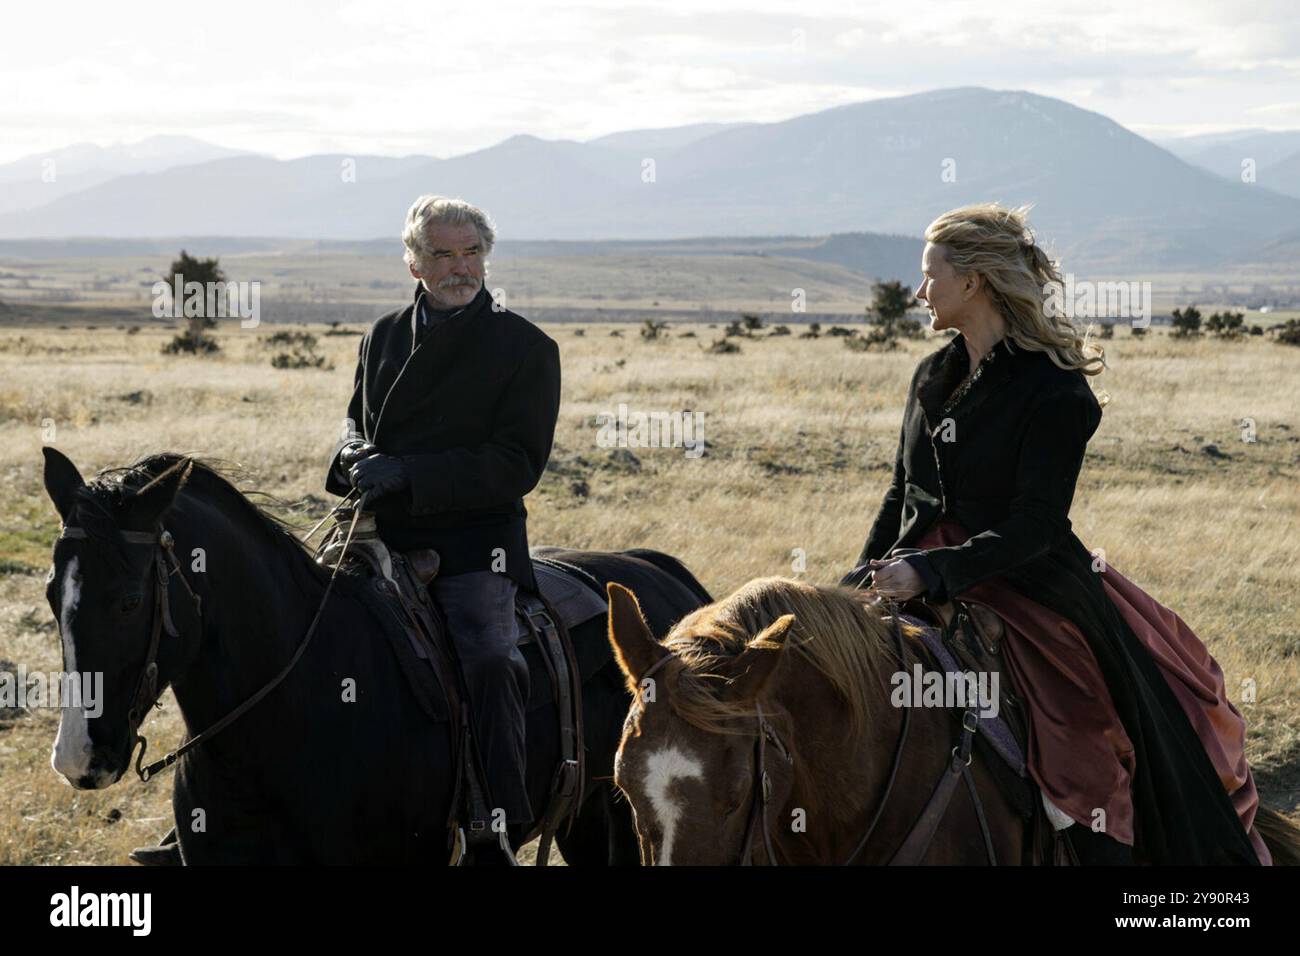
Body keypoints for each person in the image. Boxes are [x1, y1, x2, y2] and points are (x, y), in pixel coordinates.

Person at [842, 203, 1269, 865]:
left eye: (931, 276)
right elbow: (905, 495)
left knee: (1081, 729)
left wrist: (935, 573)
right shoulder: (931, 376)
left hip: (1025, 579)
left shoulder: (1054, 391)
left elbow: (1036, 526)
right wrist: (859, 576)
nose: (919, 292)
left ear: (975, 282)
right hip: (912, 568)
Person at [326, 195, 561, 859]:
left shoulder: (525, 348)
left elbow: (516, 464)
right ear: (413, 264)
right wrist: (353, 454)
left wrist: (409, 473)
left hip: (472, 548)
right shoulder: (382, 335)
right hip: (375, 535)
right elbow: (355, 417)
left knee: (489, 659)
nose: (460, 267)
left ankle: (496, 825)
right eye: (442, 254)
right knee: (279, 622)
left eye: (470, 253)